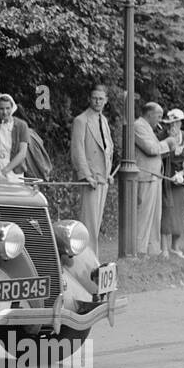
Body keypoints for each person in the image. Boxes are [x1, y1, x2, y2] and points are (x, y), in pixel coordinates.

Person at [70, 84, 114, 250]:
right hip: (90, 179)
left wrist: (109, 173)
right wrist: (86, 175)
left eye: (101, 99)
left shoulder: (103, 120)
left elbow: (108, 148)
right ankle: (87, 259)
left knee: (96, 221)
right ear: (89, 99)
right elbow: (77, 150)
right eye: (95, 98)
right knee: (88, 221)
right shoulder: (81, 120)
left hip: (103, 178)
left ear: (106, 101)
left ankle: (93, 258)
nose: (97, 101)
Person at [135, 102, 177, 257]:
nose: (160, 120)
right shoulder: (138, 126)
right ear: (149, 114)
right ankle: (139, 250)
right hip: (144, 177)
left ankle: (151, 250)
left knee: (154, 216)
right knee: (143, 216)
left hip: (154, 176)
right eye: (158, 116)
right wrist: (167, 143)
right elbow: (151, 149)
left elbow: (156, 151)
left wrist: (167, 147)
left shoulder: (149, 129)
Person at [160, 108, 184, 258]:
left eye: (176, 123)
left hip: (180, 181)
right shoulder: (161, 136)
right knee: (166, 212)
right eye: (170, 123)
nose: (173, 126)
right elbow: (157, 155)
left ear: (181, 123)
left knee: (180, 213)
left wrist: (183, 174)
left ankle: (175, 246)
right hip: (165, 180)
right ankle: (164, 249)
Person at [0, 93, 30, 182]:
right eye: (1, 109)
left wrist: (5, 170)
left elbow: (22, 153)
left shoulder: (21, 126)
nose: (5, 112)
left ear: (12, 108)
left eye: (7, 108)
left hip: (14, 170)